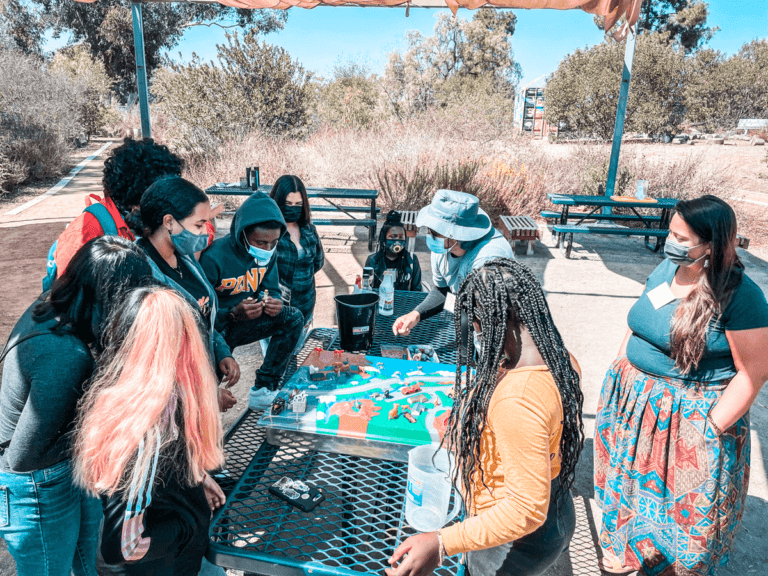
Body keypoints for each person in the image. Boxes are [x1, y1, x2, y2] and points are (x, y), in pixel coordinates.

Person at [594, 195, 768, 576]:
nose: (670, 242)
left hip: (687, 419)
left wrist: (709, 428)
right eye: (671, 233)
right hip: (634, 405)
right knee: (631, 485)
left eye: (682, 238)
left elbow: (753, 373)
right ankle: (632, 551)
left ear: (713, 244)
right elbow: (638, 318)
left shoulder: (742, 297)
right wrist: (622, 362)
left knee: (681, 506)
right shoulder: (664, 270)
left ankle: (671, 566)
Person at [387, 259, 583, 576]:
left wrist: (441, 543)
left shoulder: (518, 399)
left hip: (514, 540)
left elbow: (524, 508)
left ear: (487, 321)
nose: (473, 332)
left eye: (473, 323)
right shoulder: (558, 355)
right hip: (555, 506)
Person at [0, 236, 154, 576]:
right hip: (38, 483)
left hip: (63, 466)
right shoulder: (65, 355)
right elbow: (23, 456)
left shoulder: (59, 307)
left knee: (87, 561)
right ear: (111, 299)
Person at [74, 286, 226, 576]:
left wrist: (197, 477)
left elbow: (161, 473)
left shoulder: (134, 389)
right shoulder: (148, 429)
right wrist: (189, 523)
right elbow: (124, 546)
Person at [138, 176, 241, 412]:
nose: (206, 232)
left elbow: (202, 320)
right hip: (173, 405)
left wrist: (221, 352)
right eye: (199, 224)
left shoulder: (185, 258)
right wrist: (205, 394)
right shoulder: (143, 274)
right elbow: (158, 359)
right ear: (169, 222)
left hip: (201, 388)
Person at [200, 192, 304, 407]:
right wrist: (231, 313)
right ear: (242, 234)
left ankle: (264, 388)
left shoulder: (269, 254)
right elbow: (200, 313)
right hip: (216, 329)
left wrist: (275, 303)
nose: (267, 248)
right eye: (261, 242)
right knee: (209, 391)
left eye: (273, 242)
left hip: (246, 321)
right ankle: (206, 409)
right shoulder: (213, 257)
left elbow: (272, 289)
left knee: (292, 317)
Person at [392, 190, 513, 340]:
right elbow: (443, 290)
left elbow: (487, 313)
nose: (430, 235)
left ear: (457, 234)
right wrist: (416, 314)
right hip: (467, 315)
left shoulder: (489, 259)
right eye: (430, 230)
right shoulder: (442, 246)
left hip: (497, 329)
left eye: (435, 232)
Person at [53, 138, 183, 276]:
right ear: (136, 199)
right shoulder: (85, 233)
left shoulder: (155, 216)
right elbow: (69, 293)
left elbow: (203, 231)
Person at [269, 174, 325, 350]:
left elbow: (318, 262)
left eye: (298, 205)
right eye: (288, 204)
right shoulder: (266, 232)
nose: (293, 209)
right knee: (276, 365)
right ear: (278, 202)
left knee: (297, 357)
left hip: (305, 307)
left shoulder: (309, 230)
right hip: (276, 312)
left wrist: (301, 278)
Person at [365, 210, 423, 292]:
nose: (397, 241)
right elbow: (367, 290)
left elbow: (417, 290)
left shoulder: (412, 260)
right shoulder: (373, 261)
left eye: (401, 237)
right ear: (383, 238)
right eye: (393, 236)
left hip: (405, 303)